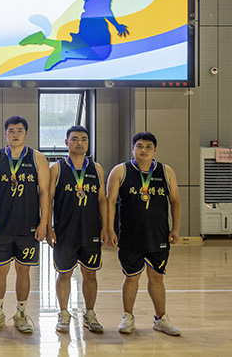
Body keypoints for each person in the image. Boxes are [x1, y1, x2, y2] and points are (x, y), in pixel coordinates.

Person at [107, 131, 182, 336]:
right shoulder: (120, 171)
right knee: (131, 277)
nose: (143, 150)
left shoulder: (166, 171)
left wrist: (175, 228)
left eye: (148, 147)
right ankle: (128, 317)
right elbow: (110, 201)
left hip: (158, 235)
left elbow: (175, 201)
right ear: (132, 149)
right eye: (139, 146)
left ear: (155, 150)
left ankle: (161, 319)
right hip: (130, 236)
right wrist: (110, 229)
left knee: (157, 278)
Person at [0, 116, 49, 333]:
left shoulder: (37, 158)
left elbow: (45, 192)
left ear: (26, 133)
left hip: (28, 227)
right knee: (0, 270)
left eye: (19, 130)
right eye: (11, 131)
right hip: (1, 226)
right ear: (5, 134)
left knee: (23, 270)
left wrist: (44, 223)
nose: (15, 134)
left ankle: (21, 314)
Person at [47, 125, 108, 334]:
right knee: (64, 274)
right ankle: (64, 313)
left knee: (90, 274)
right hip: (65, 231)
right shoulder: (56, 168)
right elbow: (48, 200)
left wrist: (106, 227)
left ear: (88, 143)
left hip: (90, 231)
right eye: (74, 139)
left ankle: (89, 313)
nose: (79, 143)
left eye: (83, 139)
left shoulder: (96, 169)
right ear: (66, 142)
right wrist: (48, 227)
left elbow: (102, 199)